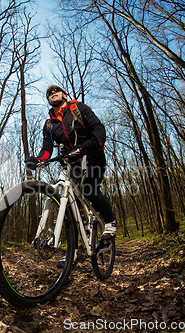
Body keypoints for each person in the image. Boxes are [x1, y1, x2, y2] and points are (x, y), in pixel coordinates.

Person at [25, 84, 117, 240]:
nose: (53, 92)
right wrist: (39, 160)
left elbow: (98, 127)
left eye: (56, 90)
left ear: (65, 95)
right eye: (49, 93)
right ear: (48, 100)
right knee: (68, 205)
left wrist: (95, 143)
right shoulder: (49, 125)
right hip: (72, 163)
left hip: (93, 155)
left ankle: (110, 222)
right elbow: (47, 149)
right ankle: (73, 251)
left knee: (88, 189)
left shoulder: (78, 109)